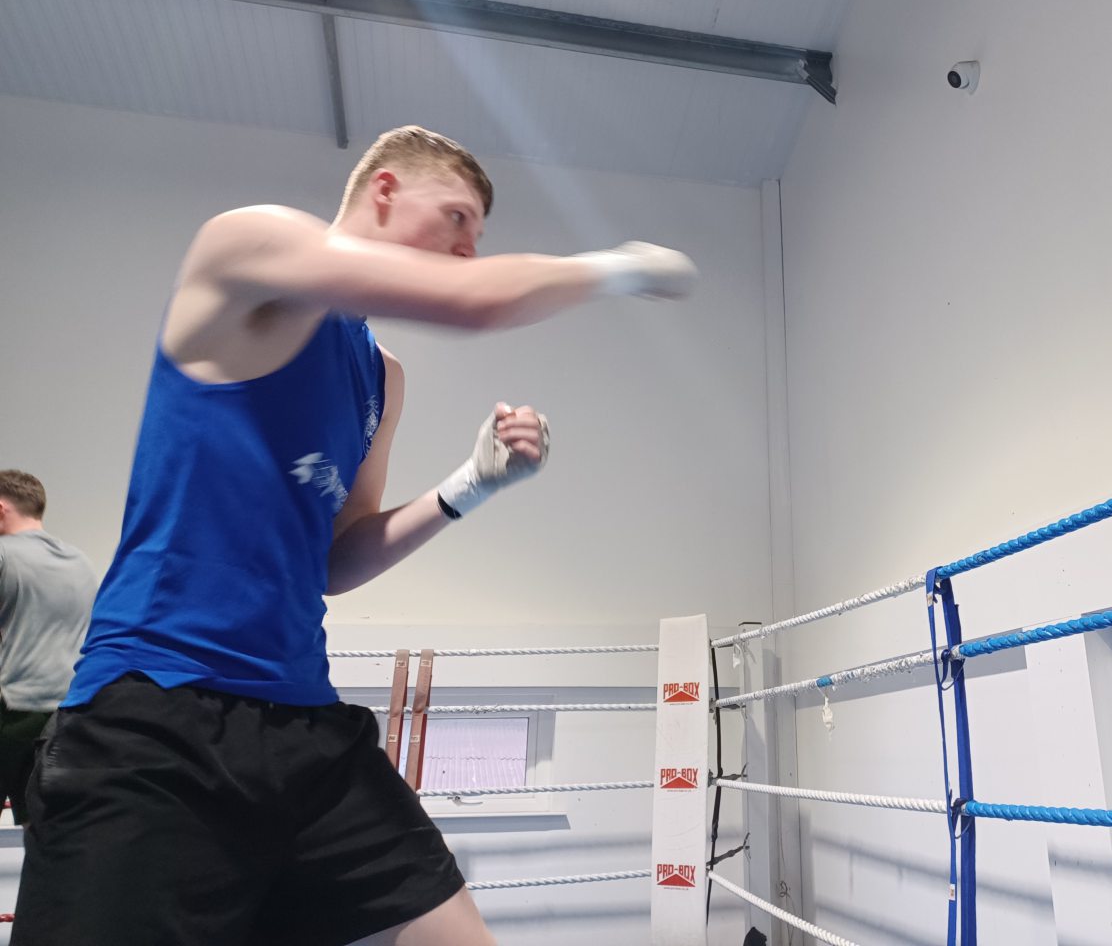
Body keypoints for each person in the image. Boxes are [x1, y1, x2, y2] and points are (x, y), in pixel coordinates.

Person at [15, 125, 697, 945]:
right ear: (382, 190)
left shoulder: (381, 376)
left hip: (306, 728)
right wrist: (617, 266)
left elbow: (336, 560)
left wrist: (467, 488)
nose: (469, 251)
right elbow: (475, 305)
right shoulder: (250, 246)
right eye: (456, 219)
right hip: (154, 720)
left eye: (479, 237)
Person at [0, 470, 98, 828]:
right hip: (65, 714)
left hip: (10, 711)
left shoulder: (3, 554)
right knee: (43, 828)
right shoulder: (80, 562)